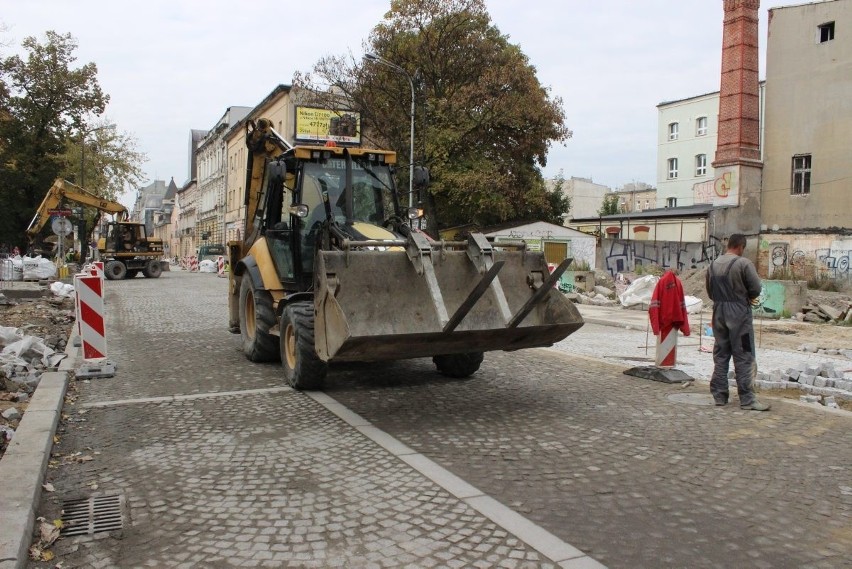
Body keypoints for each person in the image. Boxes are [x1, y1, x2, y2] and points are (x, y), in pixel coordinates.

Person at [705, 234, 769, 411]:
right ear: (741, 246)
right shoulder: (743, 264)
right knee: (744, 354)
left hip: (718, 312)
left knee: (721, 353)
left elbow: (710, 292)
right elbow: (756, 288)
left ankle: (719, 395)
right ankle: (747, 399)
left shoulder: (713, 264)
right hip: (739, 313)